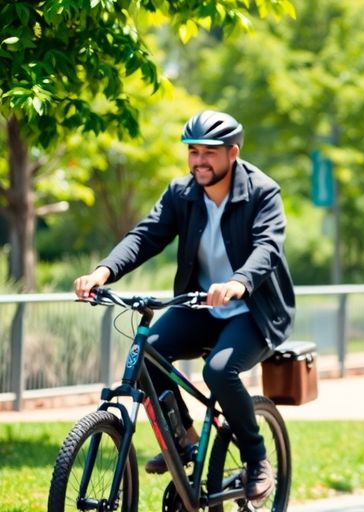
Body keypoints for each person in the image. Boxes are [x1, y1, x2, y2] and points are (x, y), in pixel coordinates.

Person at [72, 110, 295, 505]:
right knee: (148, 353)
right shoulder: (182, 194)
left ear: (233, 153)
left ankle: (258, 458)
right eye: (193, 151)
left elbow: (268, 248)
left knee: (220, 370)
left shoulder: (262, 192)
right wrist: (103, 272)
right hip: (200, 305)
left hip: (254, 311)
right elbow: (145, 236)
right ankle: (185, 438)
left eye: (209, 152)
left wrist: (238, 283)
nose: (199, 161)